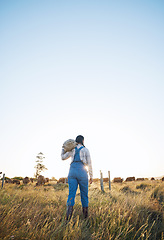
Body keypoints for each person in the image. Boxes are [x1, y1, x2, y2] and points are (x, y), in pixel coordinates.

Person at [61, 135, 93, 220]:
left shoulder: (72, 149)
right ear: (83, 140)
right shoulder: (86, 150)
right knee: (84, 195)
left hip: (72, 172)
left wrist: (63, 148)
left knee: (71, 194)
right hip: (82, 172)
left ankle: (68, 218)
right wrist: (91, 176)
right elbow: (89, 164)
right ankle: (85, 218)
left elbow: (63, 157)